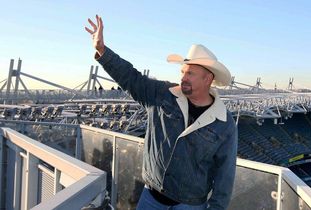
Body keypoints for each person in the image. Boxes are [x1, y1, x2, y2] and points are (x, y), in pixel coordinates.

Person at [85, 15, 237, 210]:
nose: (183, 77)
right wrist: (102, 51)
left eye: (190, 73)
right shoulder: (163, 95)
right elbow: (132, 79)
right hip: (151, 197)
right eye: (182, 72)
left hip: (191, 205)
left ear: (208, 79)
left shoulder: (224, 123)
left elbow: (225, 174)